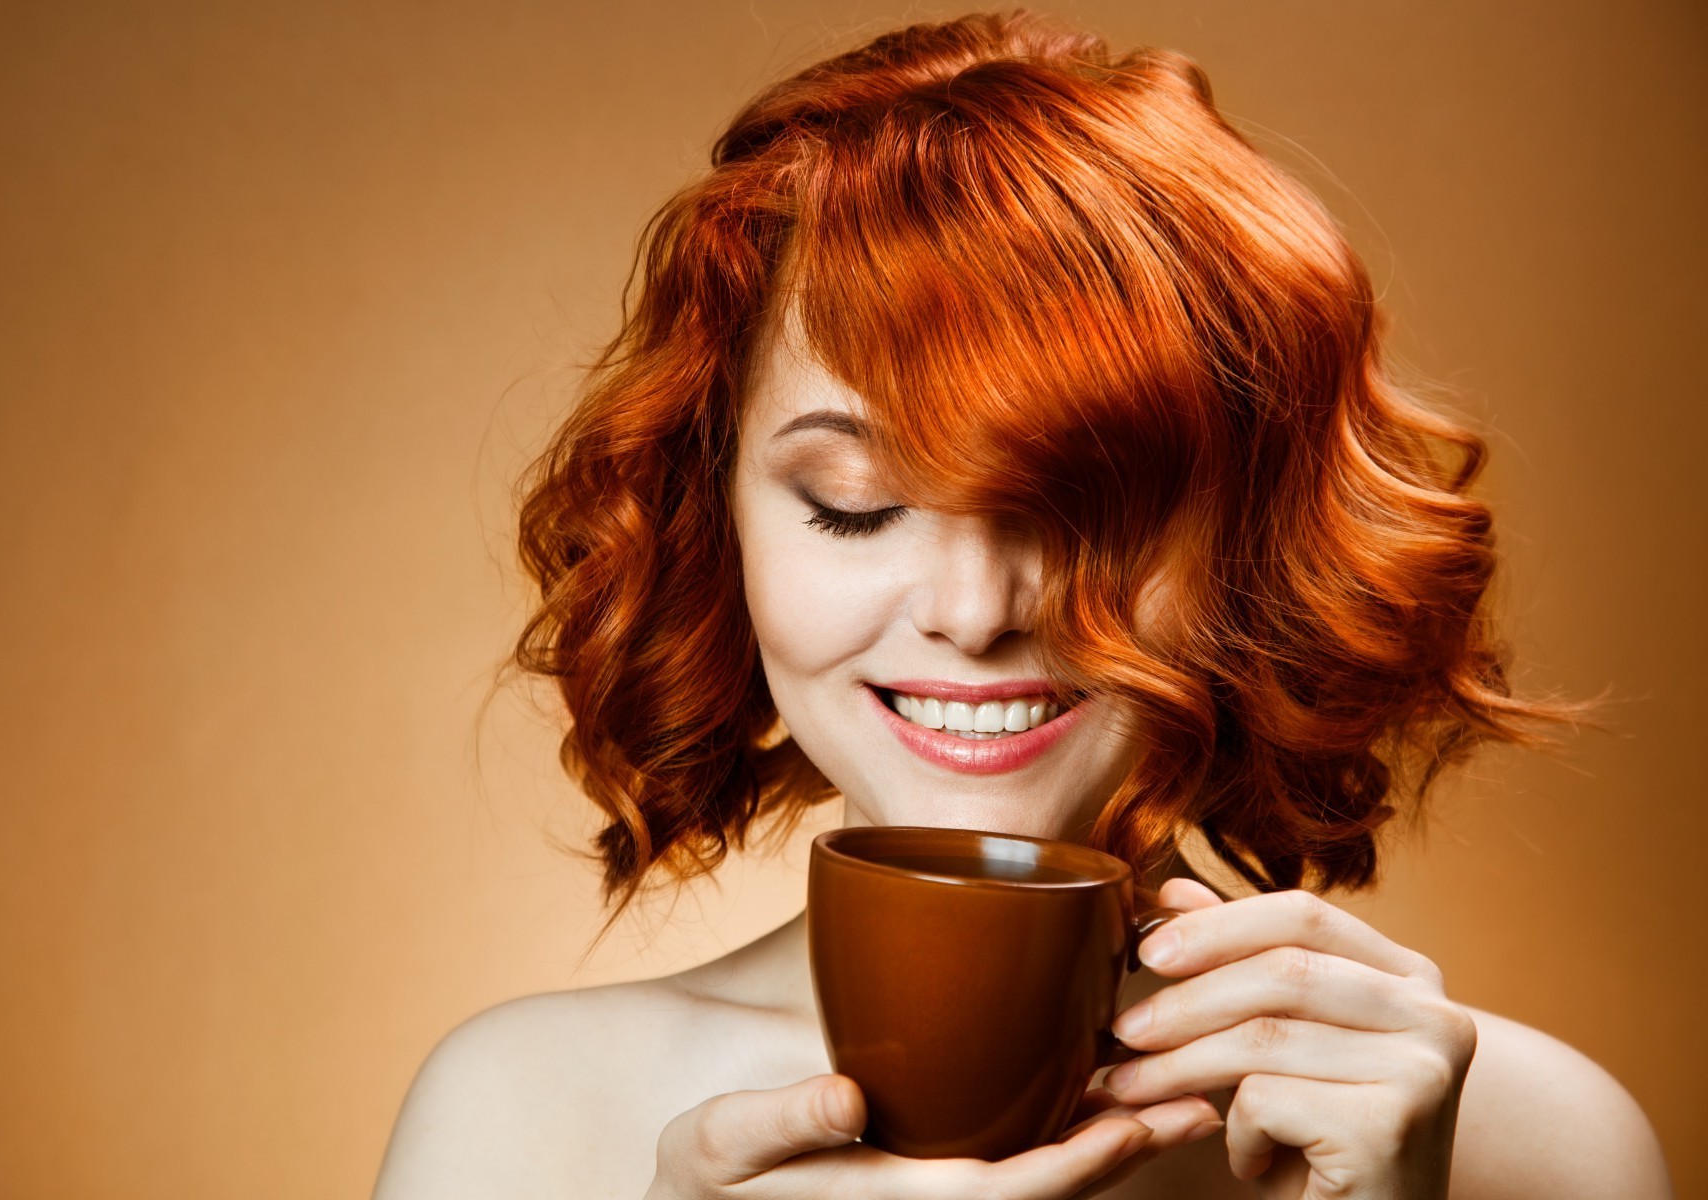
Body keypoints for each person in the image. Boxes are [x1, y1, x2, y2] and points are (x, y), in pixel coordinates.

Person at [372, 11, 1672, 1198]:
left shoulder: (1543, 1144)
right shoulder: (520, 1121)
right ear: (722, 536)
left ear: (1258, 547)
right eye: (854, 503)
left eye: (1084, 509)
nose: (977, 609)